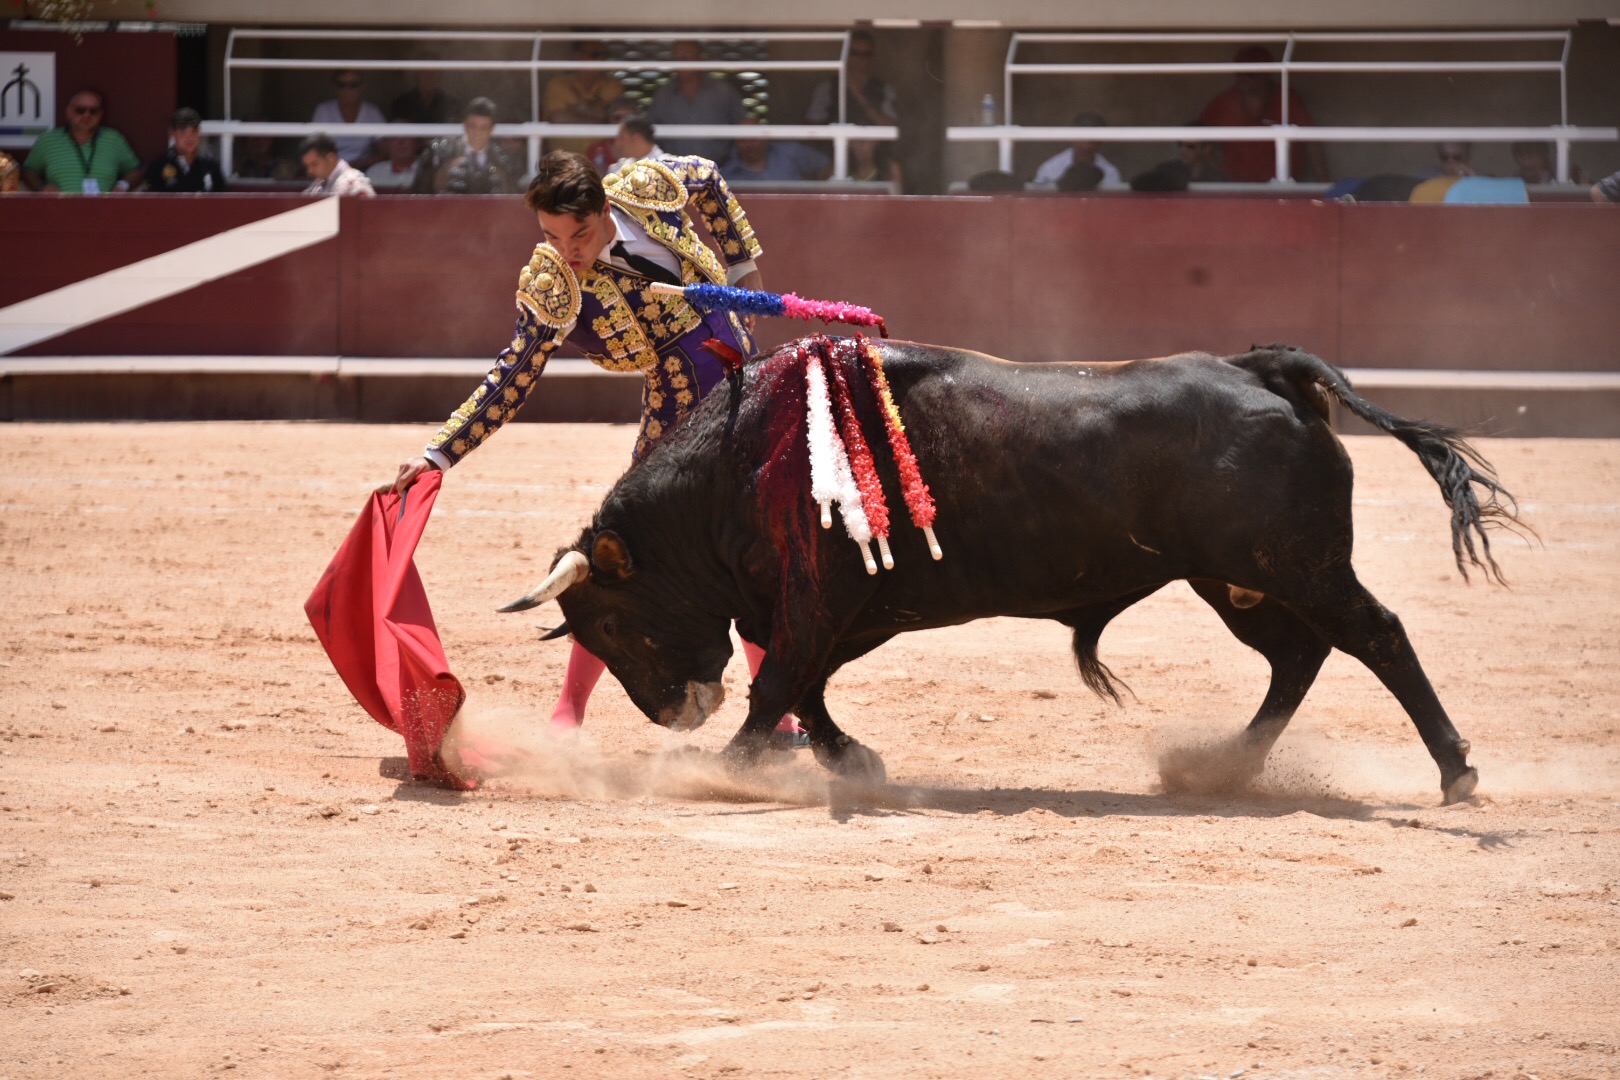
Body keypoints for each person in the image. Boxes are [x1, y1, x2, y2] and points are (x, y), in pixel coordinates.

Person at [388, 150, 804, 755]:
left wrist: (742, 265)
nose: (569, 250)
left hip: (745, 383)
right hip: (679, 408)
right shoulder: (553, 285)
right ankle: (568, 712)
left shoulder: (646, 185)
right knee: (623, 557)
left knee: (755, 550)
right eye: (553, 236)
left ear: (606, 207)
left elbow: (708, 176)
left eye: (579, 233)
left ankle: (779, 717)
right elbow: (513, 376)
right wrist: (439, 455)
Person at [1197, 45, 1328, 183]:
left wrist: (1324, 185)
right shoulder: (1224, 102)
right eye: (1242, 73)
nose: (1247, 79)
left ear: (1268, 73)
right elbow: (1196, 140)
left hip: (1283, 186)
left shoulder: (1287, 98)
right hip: (1238, 188)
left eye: (1253, 74)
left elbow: (1312, 142)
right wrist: (1221, 174)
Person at [21, 88, 142, 193]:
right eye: (80, 110)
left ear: (100, 114)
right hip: (60, 210)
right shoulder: (48, 140)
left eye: (93, 111)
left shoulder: (114, 139)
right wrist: (42, 187)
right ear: (69, 112)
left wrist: (122, 186)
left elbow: (137, 170)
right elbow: (28, 171)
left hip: (104, 211)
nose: (86, 115)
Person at [646, 40, 746, 162]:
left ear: (701, 58)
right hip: (674, 173)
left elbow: (743, 129)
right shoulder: (662, 96)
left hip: (721, 170)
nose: (682, 60)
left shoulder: (723, 92)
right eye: (677, 56)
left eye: (688, 55)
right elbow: (649, 134)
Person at [411, 97, 522, 195]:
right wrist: (446, 170)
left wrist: (501, 178)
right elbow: (422, 191)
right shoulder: (440, 153)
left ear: (492, 129)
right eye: (473, 126)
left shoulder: (504, 160)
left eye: (483, 128)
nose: (477, 132)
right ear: (465, 125)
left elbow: (512, 197)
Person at [543, 39, 626, 155]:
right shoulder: (559, 84)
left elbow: (606, 117)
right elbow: (558, 118)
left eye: (604, 55)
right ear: (577, 56)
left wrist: (573, 111)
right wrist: (596, 116)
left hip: (603, 160)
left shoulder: (612, 85)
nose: (600, 59)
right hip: (565, 158)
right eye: (594, 55)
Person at [806, 29, 898, 127]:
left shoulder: (884, 89)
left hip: (871, 141)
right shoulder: (827, 88)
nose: (861, 59)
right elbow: (813, 125)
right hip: (837, 141)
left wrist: (859, 95)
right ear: (846, 55)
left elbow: (891, 124)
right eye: (855, 53)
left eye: (866, 54)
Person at [311, 69, 386, 171]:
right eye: (342, 85)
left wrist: (361, 164)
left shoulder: (372, 112)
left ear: (362, 87)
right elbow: (315, 149)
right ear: (334, 87)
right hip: (330, 170)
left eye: (353, 85)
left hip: (365, 170)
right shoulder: (324, 111)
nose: (347, 89)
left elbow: (384, 152)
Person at [143, 107, 228, 193]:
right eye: (183, 132)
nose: (190, 138)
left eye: (194, 131)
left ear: (199, 132)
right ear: (172, 133)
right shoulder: (158, 167)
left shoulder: (210, 167)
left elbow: (223, 203)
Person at [722, 117, 829, 182]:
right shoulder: (727, 175)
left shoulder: (791, 152)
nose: (749, 145)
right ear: (736, 143)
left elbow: (827, 166)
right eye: (743, 141)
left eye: (753, 139)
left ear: (765, 138)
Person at [1031, 111, 1122, 188]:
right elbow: (1037, 200)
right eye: (1082, 138)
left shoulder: (1110, 173)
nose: (1086, 146)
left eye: (1092, 140)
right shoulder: (1051, 168)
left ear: (1101, 141)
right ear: (1072, 137)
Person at [300, 134, 375, 196]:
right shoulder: (318, 183)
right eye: (307, 166)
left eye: (314, 164)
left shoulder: (353, 180)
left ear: (330, 157)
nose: (310, 171)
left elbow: (367, 209)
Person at [391, 67, 460, 124]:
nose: (434, 79)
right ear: (417, 77)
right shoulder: (402, 103)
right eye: (429, 75)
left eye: (437, 76)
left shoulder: (449, 103)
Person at [366, 124, 420, 191]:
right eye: (395, 138)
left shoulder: (427, 171)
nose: (401, 143)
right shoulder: (374, 172)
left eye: (406, 137)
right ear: (387, 144)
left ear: (416, 143)